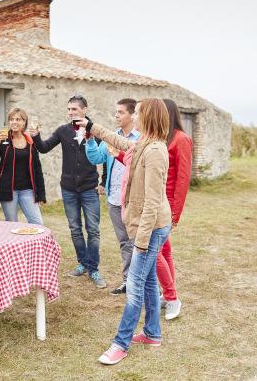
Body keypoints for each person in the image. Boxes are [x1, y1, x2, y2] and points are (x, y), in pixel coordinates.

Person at [78, 99, 172, 366]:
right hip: (149, 226)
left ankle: (120, 344)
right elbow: (118, 142)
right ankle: (152, 334)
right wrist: (92, 126)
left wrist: (140, 242)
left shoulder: (155, 151)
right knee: (150, 281)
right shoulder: (143, 144)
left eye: (139, 113)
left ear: (148, 117)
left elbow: (153, 201)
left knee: (134, 287)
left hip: (151, 229)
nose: (136, 116)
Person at [28, 94, 106, 289]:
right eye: (69, 109)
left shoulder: (95, 131)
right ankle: (83, 263)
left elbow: (106, 158)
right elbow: (44, 148)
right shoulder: (63, 131)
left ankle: (93, 269)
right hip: (69, 189)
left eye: (75, 109)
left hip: (89, 188)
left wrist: (103, 182)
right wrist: (36, 137)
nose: (71, 112)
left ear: (84, 110)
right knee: (74, 228)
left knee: (93, 230)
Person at [85, 98, 140, 295]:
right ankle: (128, 282)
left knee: (139, 243)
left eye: (120, 112)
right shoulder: (112, 136)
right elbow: (96, 158)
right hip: (114, 199)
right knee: (125, 242)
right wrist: (91, 140)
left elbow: (137, 168)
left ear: (132, 115)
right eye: (115, 112)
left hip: (134, 200)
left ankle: (141, 283)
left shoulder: (140, 139)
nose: (116, 116)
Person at [158, 99, 193, 320]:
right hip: (156, 203)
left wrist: (175, 214)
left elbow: (182, 179)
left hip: (167, 206)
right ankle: (168, 293)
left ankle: (172, 298)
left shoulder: (181, 139)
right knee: (165, 251)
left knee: (154, 253)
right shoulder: (160, 138)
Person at [0, 107, 46, 225]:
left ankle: (32, 244)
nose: (14, 122)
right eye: (12, 119)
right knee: (12, 224)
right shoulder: (3, 139)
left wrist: (41, 194)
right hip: (8, 190)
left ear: (24, 123)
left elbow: (37, 169)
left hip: (27, 190)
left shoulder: (30, 142)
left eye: (18, 119)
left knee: (38, 223)